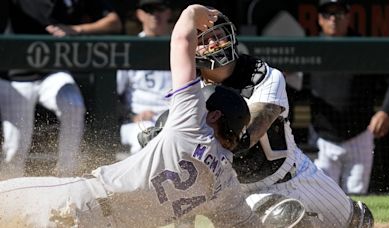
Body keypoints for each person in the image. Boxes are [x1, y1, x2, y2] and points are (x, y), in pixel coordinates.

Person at [0, 5, 264, 227]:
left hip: (77, 202)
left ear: (214, 115)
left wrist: (193, 12)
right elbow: (245, 224)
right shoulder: (226, 184)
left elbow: (182, 41)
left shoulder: (193, 127)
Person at [138, 9, 375, 227]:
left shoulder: (264, 76)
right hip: (239, 193)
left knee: (359, 221)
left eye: (217, 35)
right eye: (203, 40)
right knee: (278, 219)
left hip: (292, 174)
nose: (213, 43)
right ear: (193, 50)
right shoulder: (191, 91)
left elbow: (245, 137)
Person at [0, 0, 122, 178]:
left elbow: (114, 22)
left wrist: (76, 29)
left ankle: (66, 175)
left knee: (72, 104)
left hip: (52, 72)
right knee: (15, 146)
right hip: (16, 78)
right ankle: (8, 193)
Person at [309, 0, 389, 194]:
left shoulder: (364, 47)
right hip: (322, 137)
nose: (333, 19)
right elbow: (290, 86)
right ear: (319, 19)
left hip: (359, 134)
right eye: (327, 14)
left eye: (339, 13)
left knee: (356, 200)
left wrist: (385, 111)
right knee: (323, 200)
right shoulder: (310, 48)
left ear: (348, 16)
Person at [116, 0, 173, 158]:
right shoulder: (130, 48)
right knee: (146, 138)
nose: (155, 14)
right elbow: (112, 95)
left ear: (168, 12)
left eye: (159, 9)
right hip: (138, 120)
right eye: (149, 10)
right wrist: (130, 116)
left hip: (173, 117)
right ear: (139, 14)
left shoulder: (179, 47)